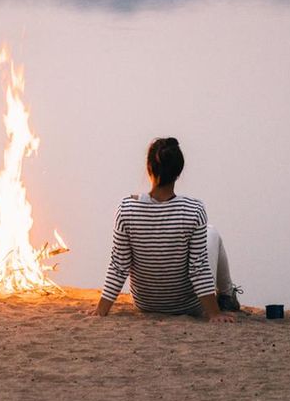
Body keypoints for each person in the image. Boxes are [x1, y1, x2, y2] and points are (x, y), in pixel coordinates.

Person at [94, 137, 241, 321]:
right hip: (188, 305)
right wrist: (214, 313)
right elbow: (198, 267)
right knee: (212, 232)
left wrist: (101, 310)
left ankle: (225, 295)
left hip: (145, 303)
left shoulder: (127, 208)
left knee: (207, 233)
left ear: (149, 168)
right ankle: (226, 296)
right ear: (178, 172)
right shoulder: (193, 209)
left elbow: (119, 264)